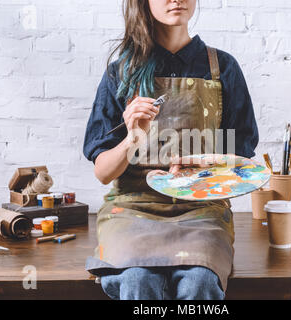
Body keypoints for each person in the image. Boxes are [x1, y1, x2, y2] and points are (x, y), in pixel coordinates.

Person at [83, 0, 258, 300]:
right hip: (132, 210)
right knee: (138, 280)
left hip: (202, 212)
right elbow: (102, 172)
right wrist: (131, 139)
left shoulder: (222, 68)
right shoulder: (122, 72)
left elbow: (239, 163)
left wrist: (203, 170)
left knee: (199, 282)